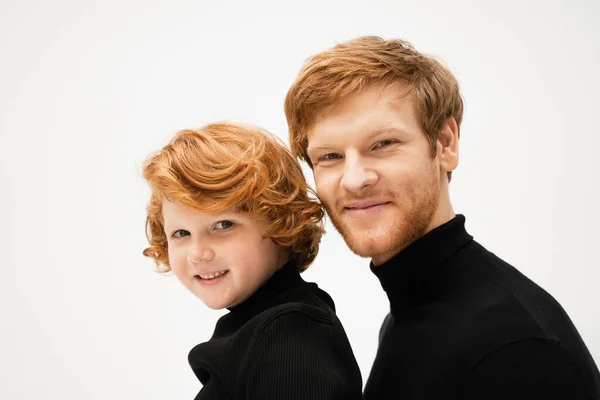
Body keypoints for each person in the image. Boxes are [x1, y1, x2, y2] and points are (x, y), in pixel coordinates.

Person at [284, 36, 600, 399]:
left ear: (445, 144)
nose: (355, 179)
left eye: (383, 144)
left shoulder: (517, 349)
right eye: (330, 157)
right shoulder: (409, 317)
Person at [141, 123, 362, 399]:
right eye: (181, 233)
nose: (198, 252)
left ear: (281, 223)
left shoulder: (290, 336)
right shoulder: (262, 329)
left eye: (223, 225)